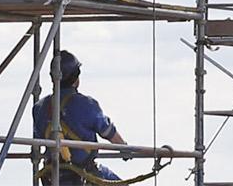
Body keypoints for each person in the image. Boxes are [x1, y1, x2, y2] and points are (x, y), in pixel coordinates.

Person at [33, 48, 159, 182]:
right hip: (82, 176)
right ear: (76, 78)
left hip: (52, 177)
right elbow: (108, 132)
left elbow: (37, 141)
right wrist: (125, 149)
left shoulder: (39, 108)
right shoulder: (86, 105)